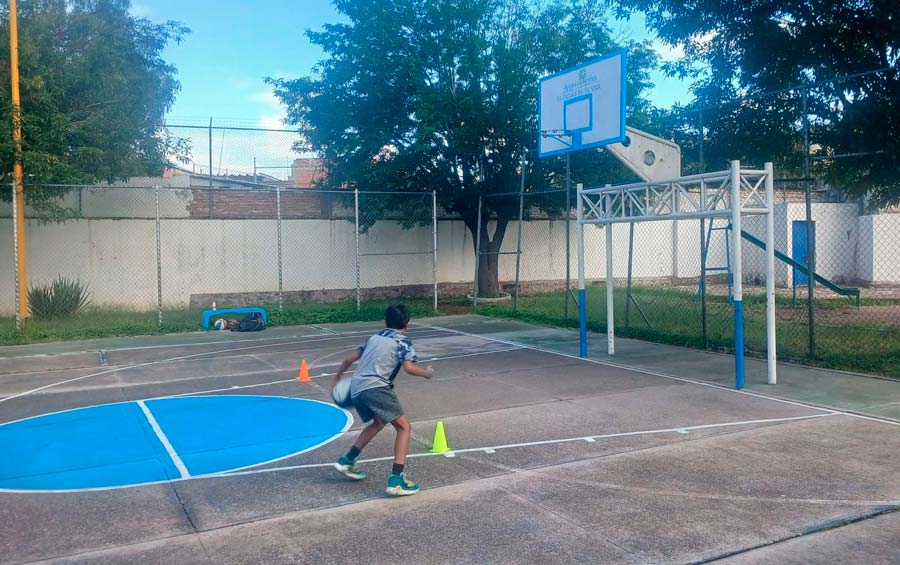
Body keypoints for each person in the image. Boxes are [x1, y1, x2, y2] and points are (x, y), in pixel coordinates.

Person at [331, 304, 434, 496]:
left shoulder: (374, 337)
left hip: (356, 388)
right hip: (376, 388)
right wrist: (426, 373)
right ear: (408, 323)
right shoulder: (403, 341)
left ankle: (347, 460)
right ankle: (397, 480)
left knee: (378, 422)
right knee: (404, 427)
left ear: (385, 321)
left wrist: (337, 378)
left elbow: (348, 359)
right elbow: (409, 368)